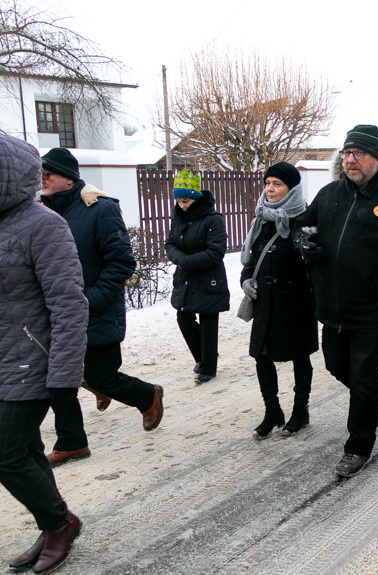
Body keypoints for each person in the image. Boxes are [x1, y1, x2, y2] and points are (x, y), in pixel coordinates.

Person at [294, 125, 378, 478]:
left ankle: (357, 447)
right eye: (346, 153)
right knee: (337, 366)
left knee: (360, 375)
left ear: (376, 159)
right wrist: (304, 244)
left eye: (358, 154)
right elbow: (302, 228)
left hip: (375, 306)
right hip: (333, 305)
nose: (350, 160)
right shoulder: (329, 196)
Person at [40, 147, 164, 466]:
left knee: (102, 376)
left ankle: (147, 395)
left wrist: (89, 300)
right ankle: (72, 442)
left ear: (68, 178)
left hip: (95, 310)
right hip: (56, 314)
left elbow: (121, 263)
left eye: (48, 174)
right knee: (56, 378)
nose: (42, 179)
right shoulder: (42, 211)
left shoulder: (100, 209)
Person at [0, 135, 89, 574]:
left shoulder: (43, 224)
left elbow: (69, 303)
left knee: (6, 452)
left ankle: (60, 523)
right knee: (26, 450)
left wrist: (64, 376)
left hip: (32, 358)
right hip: (1, 360)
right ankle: (53, 521)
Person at [240, 162, 318, 439]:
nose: (270, 190)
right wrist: (246, 280)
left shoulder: (306, 219)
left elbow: (316, 262)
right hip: (266, 301)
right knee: (261, 357)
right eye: (267, 183)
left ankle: (300, 410)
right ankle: (272, 410)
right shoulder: (261, 219)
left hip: (296, 301)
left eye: (277, 184)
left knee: (299, 357)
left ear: (291, 188)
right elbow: (250, 260)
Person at [165, 170, 230, 384]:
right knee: (183, 318)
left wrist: (187, 262)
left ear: (196, 197)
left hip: (209, 278)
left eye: (186, 200)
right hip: (185, 278)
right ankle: (203, 357)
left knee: (208, 320)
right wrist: (181, 260)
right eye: (178, 200)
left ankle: (208, 367)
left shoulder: (213, 219)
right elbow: (170, 243)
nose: (182, 204)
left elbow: (216, 251)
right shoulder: (178, 217)